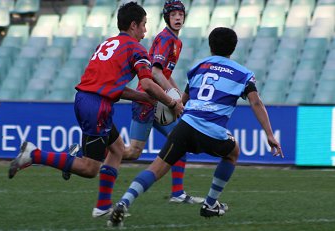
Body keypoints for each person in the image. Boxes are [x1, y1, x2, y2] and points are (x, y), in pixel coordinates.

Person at [8, 1, 184, 218]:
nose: (145, 30)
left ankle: (102, 206)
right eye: (144, 25)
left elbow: (117, 89)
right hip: (97, 106)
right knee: (90, 168)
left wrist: (144, 98)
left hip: (87, 99)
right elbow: (148, 83)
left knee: (118, 149)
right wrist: (171, 102)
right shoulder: (136, 49)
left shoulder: (108, 44)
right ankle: (33, 154)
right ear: (133, 25)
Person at [108, 27, 284, 227]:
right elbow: (256, 103)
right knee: (233, 152)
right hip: (212, 130)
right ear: (233, 48)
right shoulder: (243, 74)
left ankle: (124, 201)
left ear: (210, 46)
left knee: (156, 168)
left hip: (186, 125)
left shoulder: (199, 67)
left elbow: (184, 99)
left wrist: (175, 110)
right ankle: (210, 204)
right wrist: (269, 134)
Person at [123, 0, 203, 204]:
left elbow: (165, 74)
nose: (178, 17)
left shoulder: (177, 41)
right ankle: (86, 151)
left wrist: (176, 94)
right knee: (132, 152)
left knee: (181, 140)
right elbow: (156, 73)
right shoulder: (165, 39)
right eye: (173, 14)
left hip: (160, 101)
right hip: (147, 100)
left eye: (181, 14)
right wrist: (172, 98)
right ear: (167, 17)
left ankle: (177, 193)